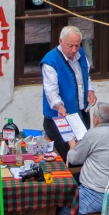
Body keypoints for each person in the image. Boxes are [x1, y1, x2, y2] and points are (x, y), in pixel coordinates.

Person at [40, 25, 97, 163]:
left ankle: (81, 181)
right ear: (61, 41)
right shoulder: (50, 61)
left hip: (81, 114)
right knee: (64, 156)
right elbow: (51, 91)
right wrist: (59, 106)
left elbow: (85, 75)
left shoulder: (80, 53)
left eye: (77, 45)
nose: (74, 50)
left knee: (82, 154)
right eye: (70, 46)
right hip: (58, 119)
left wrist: (90, 90)